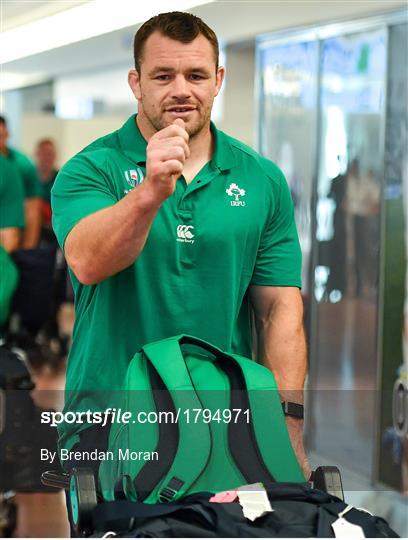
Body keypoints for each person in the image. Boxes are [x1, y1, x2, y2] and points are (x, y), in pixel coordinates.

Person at [52, 11, 309, 478]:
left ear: (218, 80)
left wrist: (286, 426)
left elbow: (278, 311)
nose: (181, 90)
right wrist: (149, 191)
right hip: (109, 419)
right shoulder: (91, 169)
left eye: (196, 75)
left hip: (222, 421)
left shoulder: (262, 179)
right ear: (136, 82)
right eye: (162, 76)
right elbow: (88, 262)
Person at [0, 116, 42, 249]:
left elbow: (33, 207)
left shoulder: (21, 165)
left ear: (7, 134)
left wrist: (28, 249)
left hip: (11, 231)